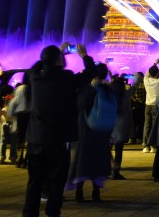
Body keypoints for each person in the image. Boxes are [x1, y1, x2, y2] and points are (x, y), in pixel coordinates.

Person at [22, 43, 96, 217]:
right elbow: (90, 73)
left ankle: (29, 212)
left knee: (35, 180)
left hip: (36, 138)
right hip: (59, 138)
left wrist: (56, 54)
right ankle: (53, 212)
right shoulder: (67, 78)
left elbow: (32, 68)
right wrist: (84, 56)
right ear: (58, 61)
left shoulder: (35, 77)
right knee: (57, 180)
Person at [68, 63, 114, 202]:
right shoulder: (107, 90)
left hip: (86, 130)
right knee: (98, 160)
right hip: (102, 132)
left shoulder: (88, 90)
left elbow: (78, 106)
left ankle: (79, 191)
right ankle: (96, 192)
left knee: (83, 160)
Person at [110, 75, 134, 180]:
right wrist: (131, 76)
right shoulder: (126, 95)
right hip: (122, 127)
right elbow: (136, 83)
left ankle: (106, 170)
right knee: (119, 151)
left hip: (109, 127)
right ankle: (116, 172)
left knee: (108, 149)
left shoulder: (109, 96)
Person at [143, 65, 159, 153]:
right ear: (157, 73)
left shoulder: (146, 80)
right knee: (155, 126)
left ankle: (145, 146)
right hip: (157, 106)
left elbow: (147, 73)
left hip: (148, 105)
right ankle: (153, 146)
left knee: (147, 126)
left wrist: (155, 64)